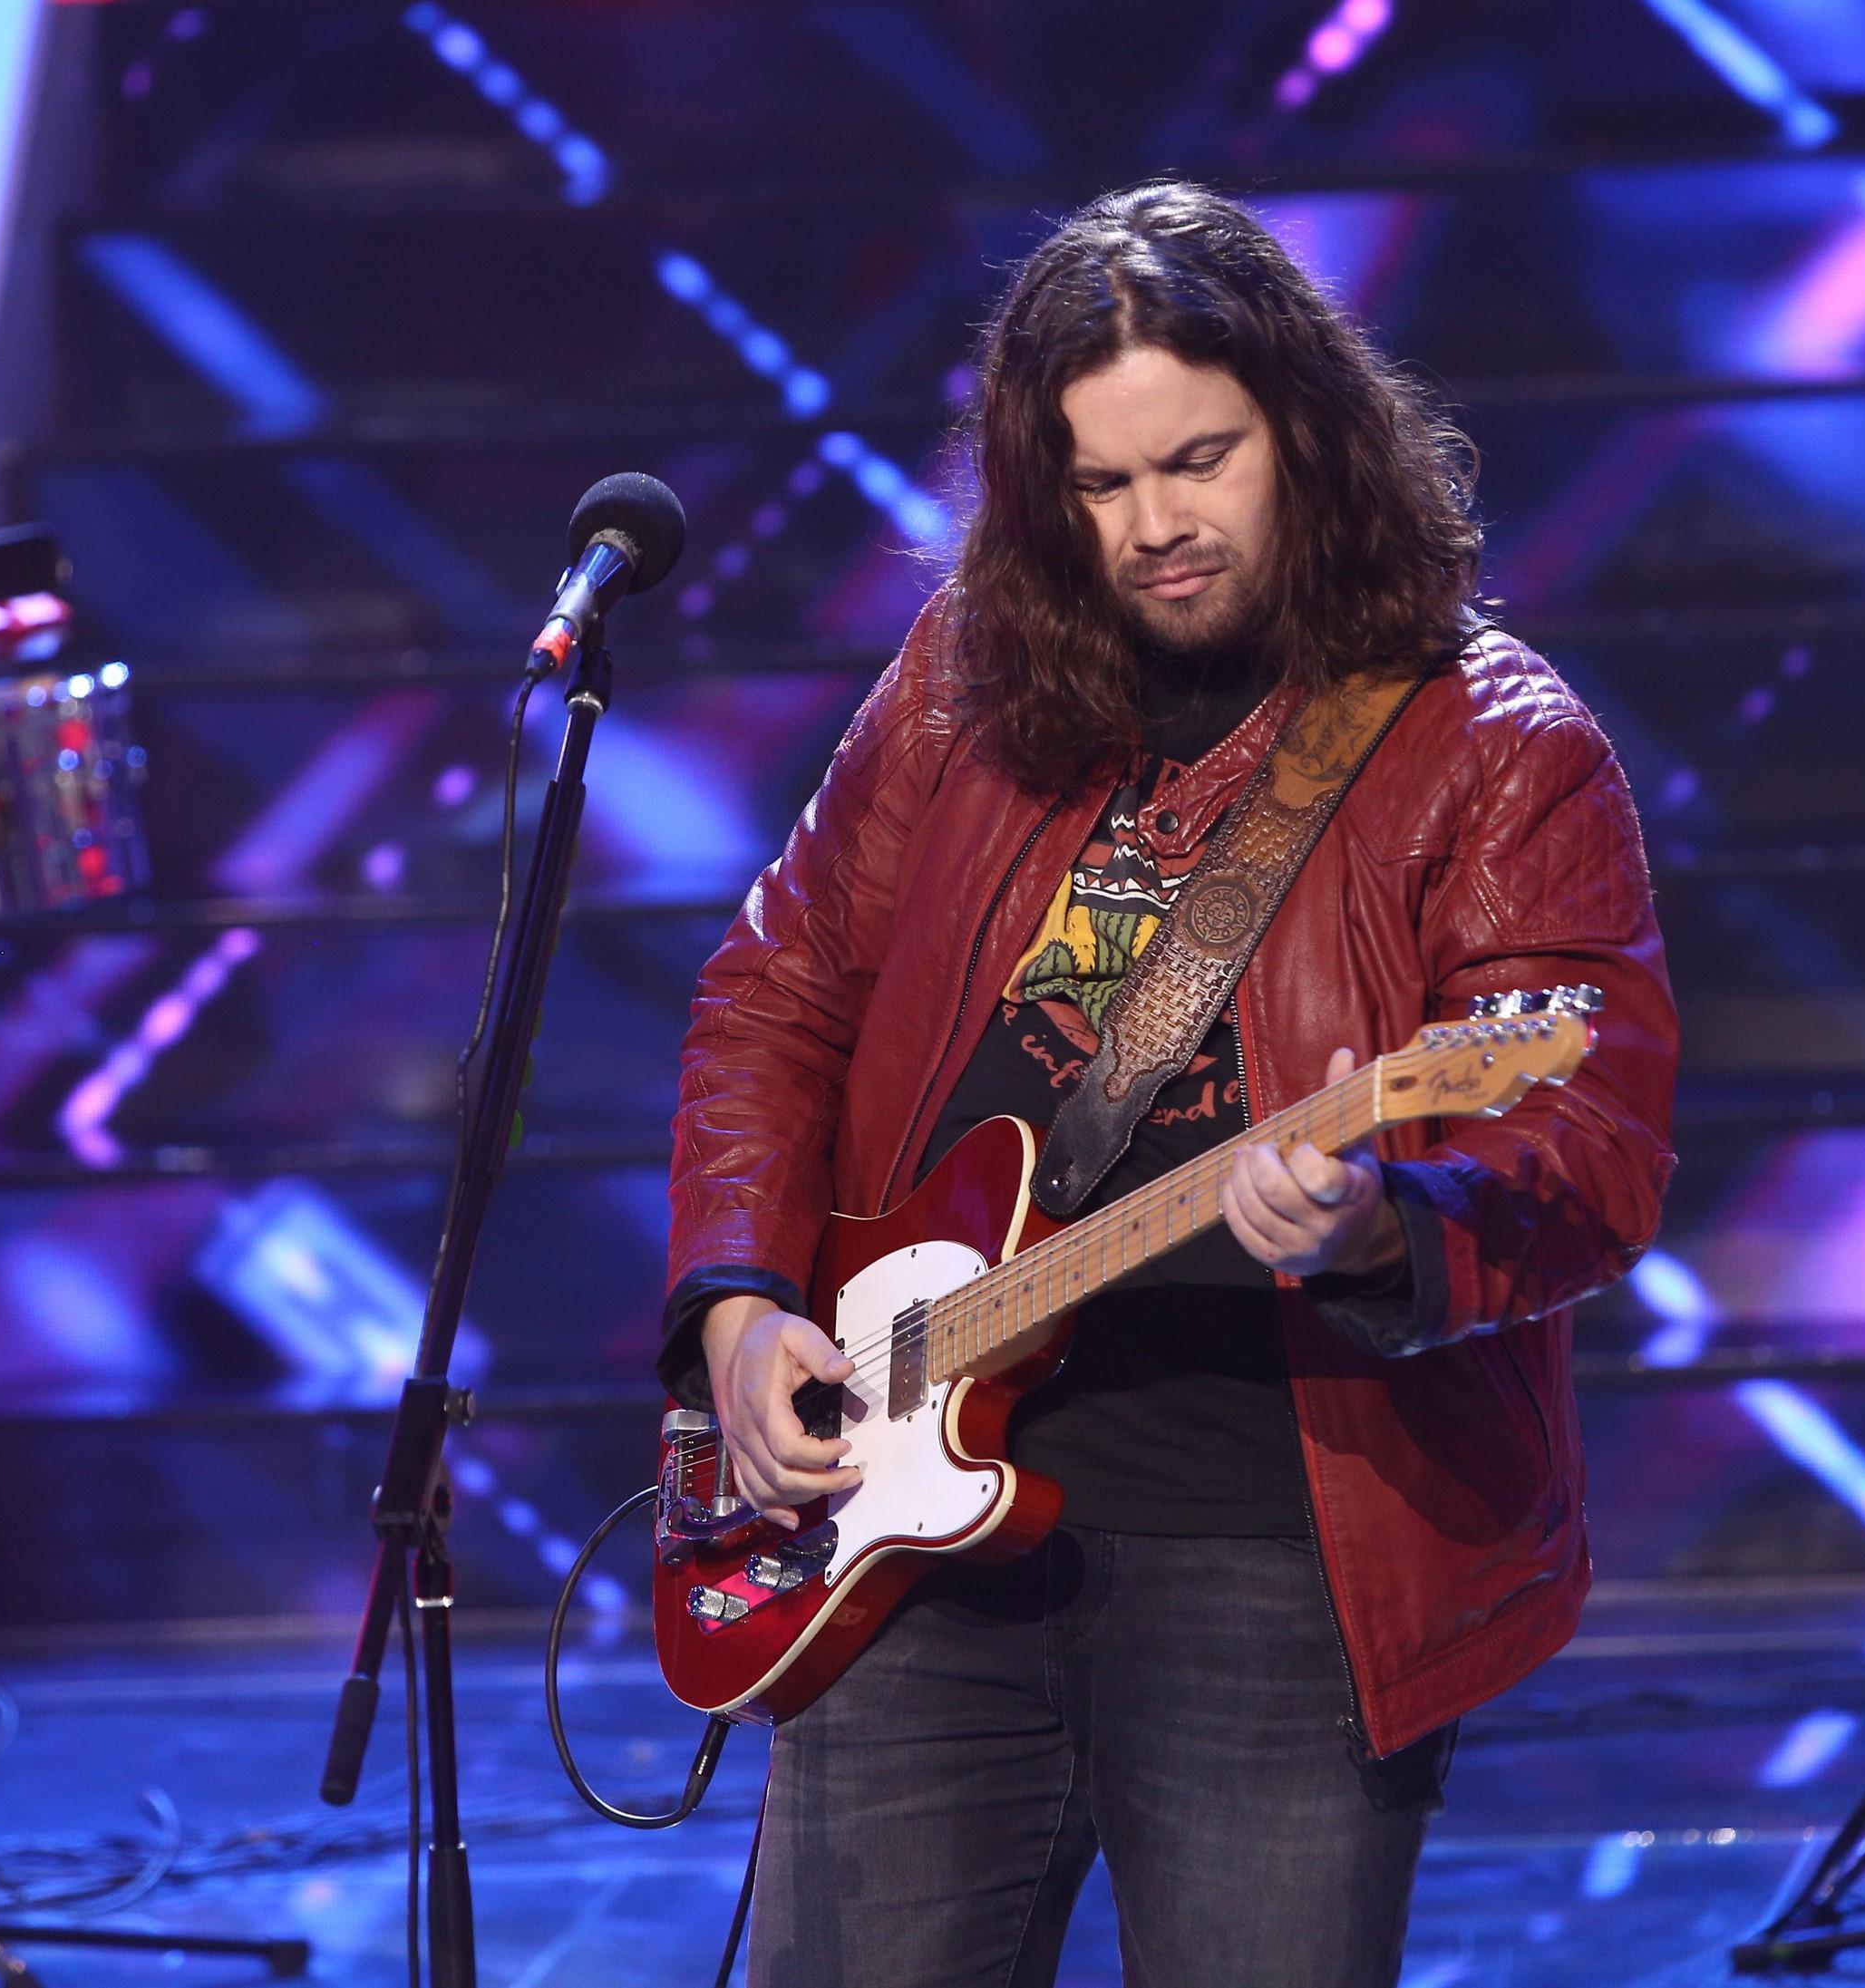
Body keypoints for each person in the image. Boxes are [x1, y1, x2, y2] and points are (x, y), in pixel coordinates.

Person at [659, 179, 1676, 1987]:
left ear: (1305, 428)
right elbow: (773, 993)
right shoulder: (960, 681)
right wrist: (736, 1304)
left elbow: (1587, 1139)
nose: (1154, 526)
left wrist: (1386, 1221)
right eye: (1100, 484)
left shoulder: (1494, 743)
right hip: (903, 1532)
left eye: (1199, 461)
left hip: (1278, 1557)